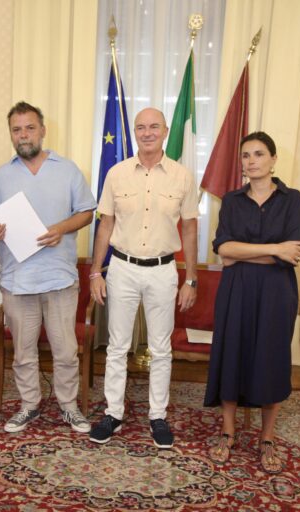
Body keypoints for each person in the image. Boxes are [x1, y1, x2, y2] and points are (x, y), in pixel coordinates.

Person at [0, 101, 97, 434]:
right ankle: (29, 405)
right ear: (11, 134)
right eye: (16, 129)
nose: (23, 135)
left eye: (30, 128)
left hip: (59, 277)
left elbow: (87, 212)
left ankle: (69, 407)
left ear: (42, 130)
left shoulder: (67, 170)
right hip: (17, 280)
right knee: (23, 352)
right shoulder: (0, 176)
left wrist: (61, 228)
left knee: (66, 351)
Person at [89, 107, 199, 449]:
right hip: (122, 268)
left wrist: (191, 279)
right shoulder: (117, 174)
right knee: (117, 346)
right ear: (134, 132)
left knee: (161, 348)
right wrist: (95, 271)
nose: (147, 132)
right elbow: (105, 225)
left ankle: (158, 416)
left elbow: (190, 229)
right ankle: (113, 413)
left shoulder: (182, 176)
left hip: (163, 271)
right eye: (140, 127)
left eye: (154, 127)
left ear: (165, 131)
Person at [203, 131, 300, 473]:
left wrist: (244, 252)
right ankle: (228, 432)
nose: (251, 161)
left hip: (277, 292)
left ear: (273, 159)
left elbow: (292, 254)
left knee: (270, 359)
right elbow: (224, 250)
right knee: (232, 354)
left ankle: (267, 438)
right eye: (246, 155)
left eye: (259, 154)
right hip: (237, 289)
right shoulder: (231, 201)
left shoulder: (292, 199)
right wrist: (275, 249)